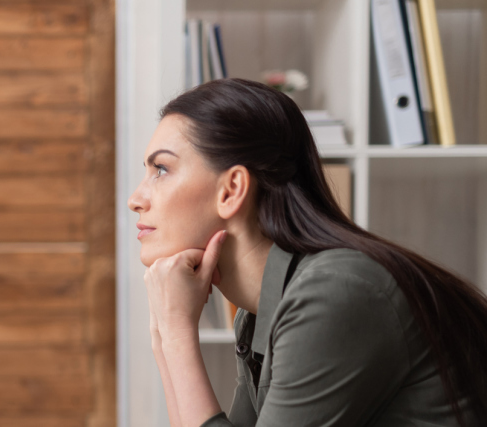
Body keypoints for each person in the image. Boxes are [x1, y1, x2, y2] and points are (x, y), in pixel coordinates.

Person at [128, 78, 486, 426]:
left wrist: (176, 332)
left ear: (231, 190)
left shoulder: (334, 292)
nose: (135, 200)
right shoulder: (259, 312)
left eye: (161, 169)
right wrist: (165, 334)